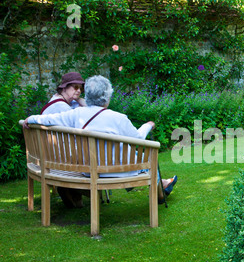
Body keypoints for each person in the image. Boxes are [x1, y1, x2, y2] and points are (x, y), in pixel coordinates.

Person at [24, 75, 177, 208]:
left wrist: (30, 119)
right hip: (118, 170)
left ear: (88, 96)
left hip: (87, 169)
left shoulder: (76, 114)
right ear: (107, 97)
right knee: (150, 157)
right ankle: (160, 193)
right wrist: (148, 126)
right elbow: (138, 139)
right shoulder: (118, 118)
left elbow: (48, 119)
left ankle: (162, 186)